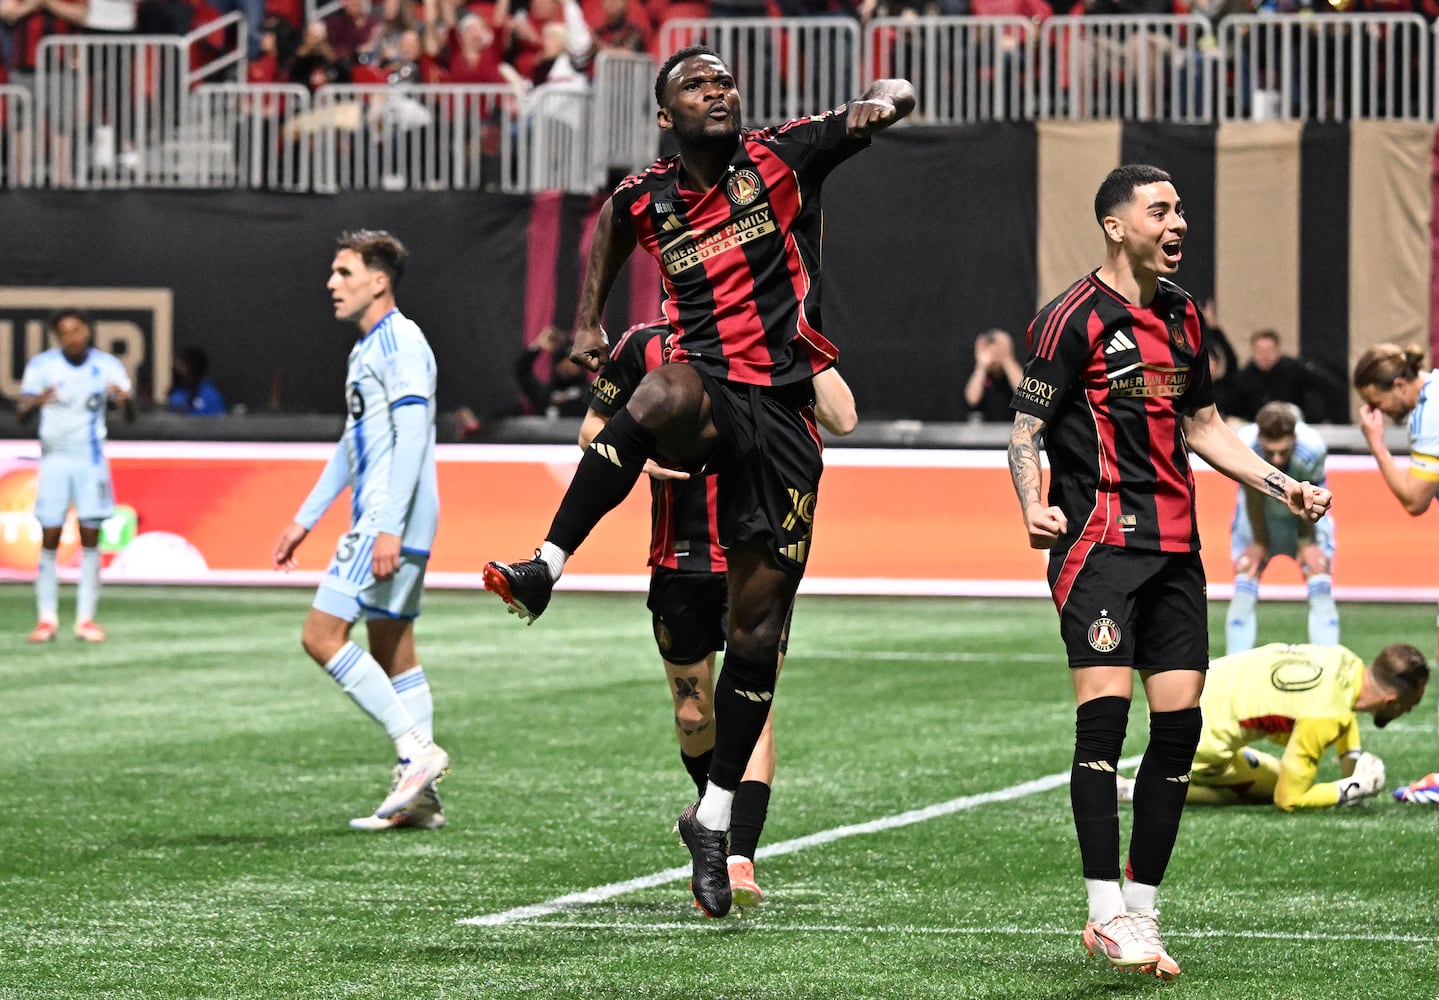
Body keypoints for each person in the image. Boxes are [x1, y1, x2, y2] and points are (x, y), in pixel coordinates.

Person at [481, 45, 914, 918]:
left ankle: (715, 822)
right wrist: (585, 324)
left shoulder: (783, 154)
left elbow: (884, 95)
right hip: (711, 393)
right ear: (663, 115)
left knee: (755, 641)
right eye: (695, 84)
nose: (718, 91)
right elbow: (607, 223)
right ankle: (544, 565)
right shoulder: (647, 198)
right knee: (665, 386)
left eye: (724, 81)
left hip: (784, 417)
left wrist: (883, 103)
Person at [1007, 164, 1331, 980]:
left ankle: (1141, 912)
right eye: (1160, 210)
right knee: (1104, 727)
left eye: (1180, 208)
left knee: (1179, 728)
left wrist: (1279, 483)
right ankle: (1101, 910)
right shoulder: (1069, 319)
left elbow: (1205, 425)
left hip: (1176, 549)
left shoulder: (1185, 317)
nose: (1177, 220)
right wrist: (1030, 506)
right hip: (1097, 549)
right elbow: (1023, 433)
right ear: (1116, 226)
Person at [582, 318, 858, 909]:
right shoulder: (642, 344)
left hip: (756, 551)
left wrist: (802, 336)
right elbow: (593, 432)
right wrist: (642, 460)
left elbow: (844, 418)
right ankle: (712, 825)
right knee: (692, 713)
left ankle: (736, 857)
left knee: (752, 707)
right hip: (678, 555)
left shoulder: (775, 336)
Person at [271, 230, 450, 831]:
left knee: (320, 635)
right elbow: (353, 446)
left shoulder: (400, 342)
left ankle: (415, 752)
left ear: (379, 280)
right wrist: (304, 519)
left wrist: (388, 527)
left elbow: (414, 437)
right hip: (396, 514)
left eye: (343, 272)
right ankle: (421, 797)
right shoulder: (371, 347)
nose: (331, 283)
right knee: (393, 648)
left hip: (387, 515)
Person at [1117, 643, 1426, 809]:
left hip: (1184, 690)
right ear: (1390, 699)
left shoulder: (1344, 659)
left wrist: (1352, 762)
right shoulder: (1326, 715)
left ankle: (1164, 772)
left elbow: (1342, 710)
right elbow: (1288, 799)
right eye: (1409, 703)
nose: (1409, 709)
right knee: (1265, 788)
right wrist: (1350, 788)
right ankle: (1142, 788)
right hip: (1193, 733)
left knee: (1271, 773)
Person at [17, 308, 135, 644]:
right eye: (66, 332)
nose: (74, 337)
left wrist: (125, 401)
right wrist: (37, 400)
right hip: (55, 458)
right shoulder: (43, 367)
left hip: (90, 459)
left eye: (79, 329)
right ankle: (46, 618)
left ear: (88, 331)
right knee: (50, 534)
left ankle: (86, 619)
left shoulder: (107, 366)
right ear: (57, 336)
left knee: (91, 536)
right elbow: (22, 414)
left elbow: (130, 414)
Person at [1225, 401, 1337, 653]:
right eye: (1270, 451)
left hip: (1304, 515)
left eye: (1283, 452)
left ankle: (1327, 662)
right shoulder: (1245, 445)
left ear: (1294, 439)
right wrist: (1259, 542)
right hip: (1257, 512)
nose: (1276, 459)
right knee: (1246, 570)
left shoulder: (1312, 448)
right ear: (1260, 437)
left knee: (1318, 571)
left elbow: (1311, 500)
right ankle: (1236, 665)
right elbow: (1252, 494)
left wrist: (1306, 543)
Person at [1353, 343, 1439, 658]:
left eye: (1377, 402)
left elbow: (1415, 501)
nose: (1380, 413)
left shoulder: (1429, 413)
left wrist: (1376, 443)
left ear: (1399, 385)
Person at [513, 323, 590, 418]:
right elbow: (522, 371)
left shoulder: (591, 396)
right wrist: (537, 346)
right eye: (561, 361)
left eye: (573, 362)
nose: (566, 367)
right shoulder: (544, 394)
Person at [962, 328, 1022, 423]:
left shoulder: (1014, 372)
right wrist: (981, 365)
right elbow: (972, 400)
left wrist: (1006, 359)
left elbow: (1024, 394)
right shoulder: (978, 374)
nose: (995, 355)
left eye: (999, 350)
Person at [166, 345, 228, 416]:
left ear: (194, 366)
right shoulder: (176, 393)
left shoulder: (210, 395)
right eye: (177, 364)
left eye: (182, 364)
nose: (178, 369)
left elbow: (219, 421)